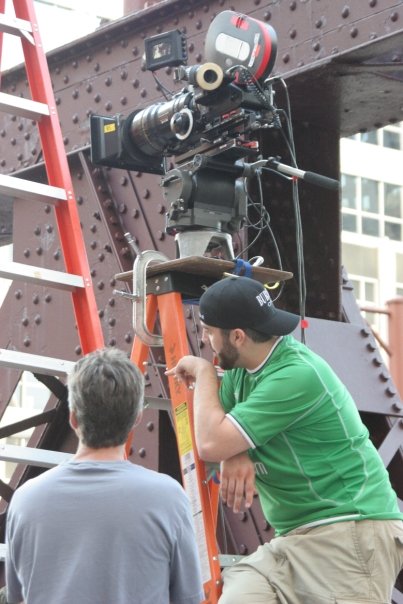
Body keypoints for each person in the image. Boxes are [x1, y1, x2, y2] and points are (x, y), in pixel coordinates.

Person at [166, 275, 403, 604]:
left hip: (348, 530)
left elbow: (210, 442)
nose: (206, 343)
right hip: (292, 540)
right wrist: (236, 452)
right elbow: (221, 434)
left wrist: (204, 372)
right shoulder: (241, 372)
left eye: (209, 333)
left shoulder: (296, 374)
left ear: (237, 336)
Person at [6, 347, 204, 604]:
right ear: (136, 419)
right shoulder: (169, 497)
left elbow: (17, 597)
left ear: (74, 418)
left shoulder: (25, 500)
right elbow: (187, 598)